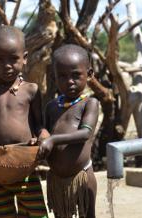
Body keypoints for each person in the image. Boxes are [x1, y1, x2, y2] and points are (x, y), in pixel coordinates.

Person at [0, 25, 49, 218]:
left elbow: (38, 124)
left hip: (24, 161)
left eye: (13, 58)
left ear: (24, 58)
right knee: (0, 212)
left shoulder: (31, 90)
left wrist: (43, 134)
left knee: (35, 211)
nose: (6, 65)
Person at [37, 44, 99, 218]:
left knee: (87, 215)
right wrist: (41, 139)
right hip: (56, 179)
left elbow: (85, 134)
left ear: (90, 74)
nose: (69, 81)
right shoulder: (51, 106)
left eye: (76, 75)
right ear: (54, 77)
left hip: (82, 176)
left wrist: (53, 140)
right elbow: (45, 133)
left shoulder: (89, 103)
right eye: (62, 76)